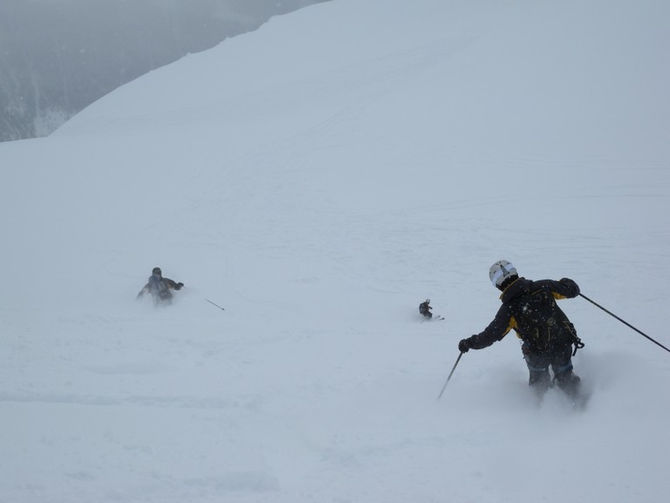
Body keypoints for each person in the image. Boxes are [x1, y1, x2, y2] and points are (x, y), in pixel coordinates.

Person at [458, 260, 584, 398]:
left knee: (539, 384)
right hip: (562, 342)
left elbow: (489, 336)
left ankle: (544, 408)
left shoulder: (508, 310)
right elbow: (572, 290)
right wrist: (567, 282)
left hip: (537, 352)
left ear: (498, 284)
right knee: (565, 374)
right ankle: (579, 404)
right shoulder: (544, 286)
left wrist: (469, 343)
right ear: (515, 272)